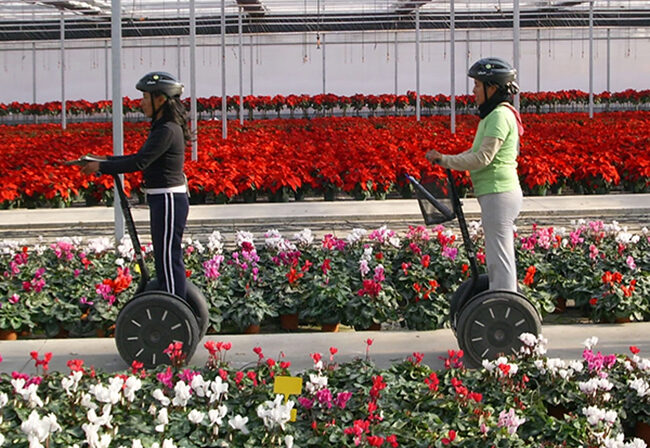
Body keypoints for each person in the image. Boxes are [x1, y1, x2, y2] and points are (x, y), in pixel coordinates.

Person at [82, 71, 191, 300]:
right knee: (163, 256)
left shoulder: (167, 129)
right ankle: (171, 300)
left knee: (168, 257)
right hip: (161, 198)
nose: (141, 103)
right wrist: (104, 160)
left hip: (169, 198)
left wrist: (102, 167)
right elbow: (140, 156)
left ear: (160, 99)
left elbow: (140, 162)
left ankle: (174, 305)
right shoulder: (162, 127)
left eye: (145, 97)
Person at [425, 57, 524, 292]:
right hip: (493, 193)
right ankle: (499, 298)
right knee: (496, 254)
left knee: (501, 257)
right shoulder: (491, 116)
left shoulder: (500, 115)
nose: (474, 91)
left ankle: (505, 302)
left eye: (478, 85)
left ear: (492, 88)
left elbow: (483, 158)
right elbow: (474, 152)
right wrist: (446, 158)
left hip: (499, 192)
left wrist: (446, 160)